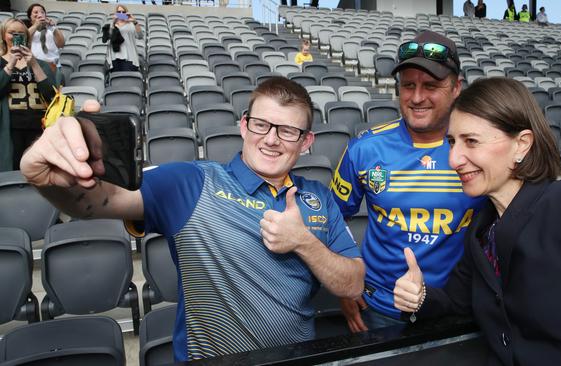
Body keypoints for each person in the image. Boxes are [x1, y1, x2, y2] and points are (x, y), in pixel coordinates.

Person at [20, 77, 365, 361]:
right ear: (244, 126)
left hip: (297, 359)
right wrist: (51, 180)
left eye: (288, 131)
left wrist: (304, 242)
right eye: (261, 125)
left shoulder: (318, 197)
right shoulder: (192, 182)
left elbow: (352, 283)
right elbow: (100, 201)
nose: (271, 140)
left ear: (306, 142)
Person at [394, 77, 561, 365]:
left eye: (471, 141)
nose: (453, 159)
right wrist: (419, 296)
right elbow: (456, 303)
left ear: (522, 144)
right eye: (452, 142)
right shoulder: (480, 231)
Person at [331, 30, 484, 332]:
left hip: (458, 308)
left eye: (431, 86)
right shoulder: (364, 149)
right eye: (408, 85)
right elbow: (332, 218)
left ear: (456, 88)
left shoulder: (482, 150)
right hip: (379, 310)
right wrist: (344, 284)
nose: (416, 97)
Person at [0, 18, 58, 172]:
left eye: (21, 33)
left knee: (38, 171)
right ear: (3, 36)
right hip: (10, 127)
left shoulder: (41, 64)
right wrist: (11, 63)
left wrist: (33, 64)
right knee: (13, 171)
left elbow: (52, 95)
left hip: (38, 125)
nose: (16, 36)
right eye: (12, 33)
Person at [102, 5, 142, 72]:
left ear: (126, 13)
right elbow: (108, 37)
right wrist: (113, 23)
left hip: (129, 57)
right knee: (116, 79)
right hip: (114, 57)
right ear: (116, 13)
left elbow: (140, 36)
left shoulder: (131, 25)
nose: (121, 14)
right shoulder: (111, 25)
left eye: (123, 12)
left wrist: (135, 22)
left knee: (128, 79)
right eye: (119, 12)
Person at [26, 3, 64, 70]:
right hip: (35, 66)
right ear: (30, 17)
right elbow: (24, 39)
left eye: (42, 12)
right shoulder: (29, 30)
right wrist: (36, 25)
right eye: (36, 12)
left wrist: (53, 27)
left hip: (53, 66)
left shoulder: (52, 29)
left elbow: (61, 44)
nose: (40, 15)